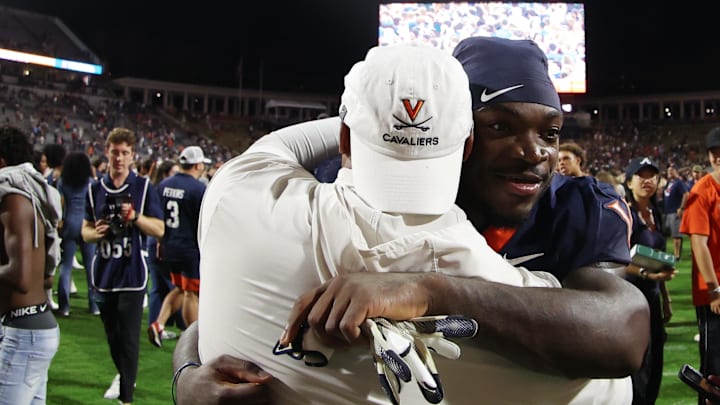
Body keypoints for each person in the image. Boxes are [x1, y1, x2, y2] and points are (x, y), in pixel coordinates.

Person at [173, 37, 648, 404]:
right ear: (461, 137)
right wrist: (190, 372)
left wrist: (426, 291)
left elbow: (620, 332)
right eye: (500, 126)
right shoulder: (352, 189)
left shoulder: (577, 206)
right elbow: (241, 304)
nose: (534, 152)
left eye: (550, 132)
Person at [81, 127, 164, 405]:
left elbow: (160, 229)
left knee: (128, 337)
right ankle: (124, 374)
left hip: (132, 271)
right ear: (107, 152)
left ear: (132, 156)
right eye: (115, 152)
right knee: (113, 336)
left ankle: (126, 396)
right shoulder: (94, 190)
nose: (119, 158)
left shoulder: (142, 188)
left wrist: (135, 217)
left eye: (125, 153)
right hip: (103, 271)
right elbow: (85, 231)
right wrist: (98, 231)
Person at [0, 126, 62, 404]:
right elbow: (45, 278)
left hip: (24, 331)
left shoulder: (13, 199)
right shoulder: (32, 196)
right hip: (37, 325)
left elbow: (21, 277)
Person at [622, 157, 676, 404]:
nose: (647, 181)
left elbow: (659, 260)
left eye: (652, 176)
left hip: (652, 296)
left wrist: (665, 298)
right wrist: (646, 275)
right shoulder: (624, 213)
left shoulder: (657, 212)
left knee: (655, 360)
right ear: (629, 182)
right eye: (641, 176)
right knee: (638, 364)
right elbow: (616, 259)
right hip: (630, 298)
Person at [148, 147, 208, 348]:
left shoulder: (164, 185)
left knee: (180, 289)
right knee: (191, 293)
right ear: (198, 165)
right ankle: (196, 340)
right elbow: (203, 223)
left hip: (168, 245)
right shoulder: (198, 189)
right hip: (188, 248)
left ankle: (159, 323)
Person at [680, 127, 720, 405]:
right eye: (716, 152)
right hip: (715, 293)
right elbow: (699, 244)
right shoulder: (702, 190)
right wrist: (714, 289)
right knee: (715, 372)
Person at [56, 152, 98, 316]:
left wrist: (60, 223)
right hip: (86, 225)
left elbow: (60, 203)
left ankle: (64, 307)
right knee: (90, 267)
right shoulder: (90, 183)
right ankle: (94, 305)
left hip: (70, 223)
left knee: (66, 266)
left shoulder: (63, 182)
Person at [146, 160, 182, 343]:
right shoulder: (165, 191)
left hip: (152, 242)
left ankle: (155, 325)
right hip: (163, 243)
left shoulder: (154, 188)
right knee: (177, 288)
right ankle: (184, 327)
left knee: (156, 289)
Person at [663, 163, 689, 261]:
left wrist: (681, 208)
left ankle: (677, 255)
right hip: (668, 211)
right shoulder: (670, 183)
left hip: (675, 211)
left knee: (676, 235)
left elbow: (686, 194)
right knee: (669, 234)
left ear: (676, 171)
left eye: (671, 170)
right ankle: (672, 254)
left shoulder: (679, 182)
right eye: (668, 170)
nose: (669, 172)